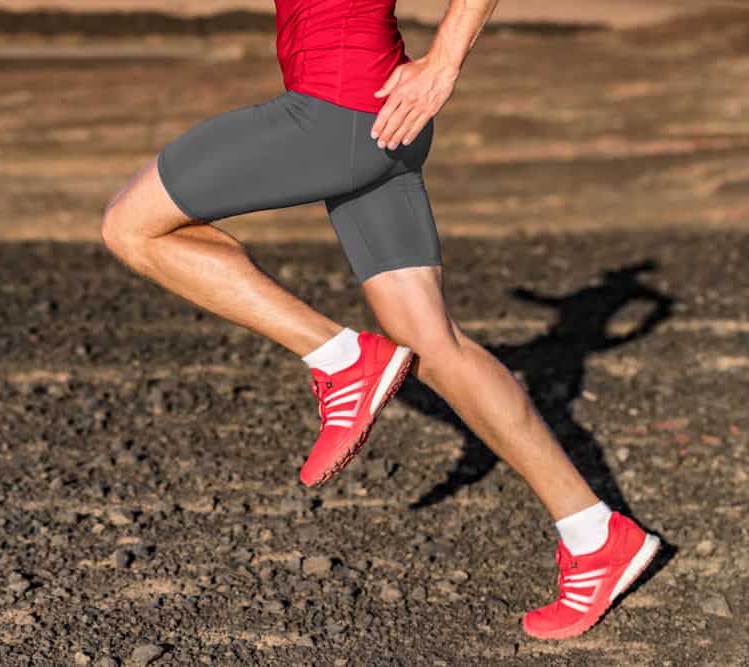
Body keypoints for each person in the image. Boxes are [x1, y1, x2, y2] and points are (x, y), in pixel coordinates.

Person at [101, 0, 659, 640]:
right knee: (432, 346)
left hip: (335, 111)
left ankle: (339, 359)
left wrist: (445, 62)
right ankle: (596, 535)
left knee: (132, 226)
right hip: (379, 115)